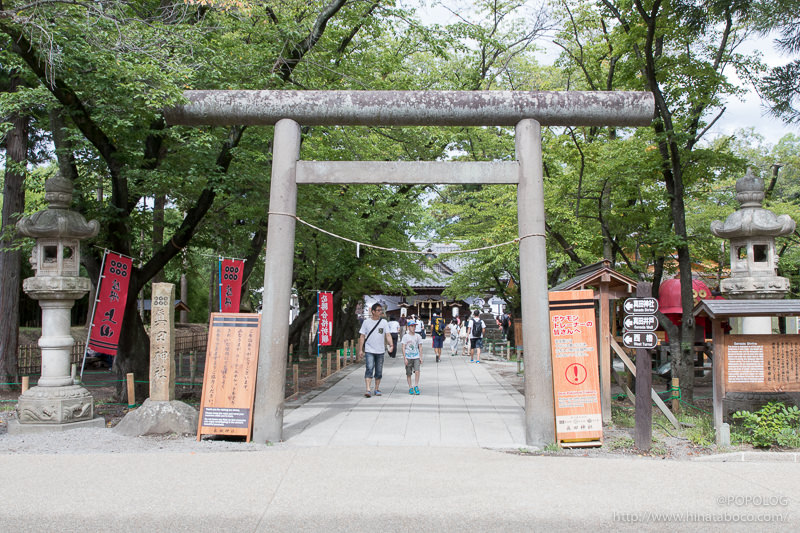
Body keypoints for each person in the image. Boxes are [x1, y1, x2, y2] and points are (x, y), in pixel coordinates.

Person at [358, 302, 394, 397]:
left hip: (380, 350)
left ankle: (377, 388)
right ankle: (368, 389)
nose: (380, 312)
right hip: (369, 350)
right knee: (369, 368)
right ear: (373, 311)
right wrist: (360, 349)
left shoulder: (384, 322)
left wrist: (391, 344)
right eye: (378, 310)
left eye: (381, 310)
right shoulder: (366, 322)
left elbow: (388, 334)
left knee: (379, 371)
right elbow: (362, 336)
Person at [401, 320, 423, 395]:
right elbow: (403, 347)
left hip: (416, 356)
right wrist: (404, 358)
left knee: (417, 371)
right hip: (408, 356)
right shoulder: (405, 336)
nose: (413, 327)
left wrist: (420, 357)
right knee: (408, 373)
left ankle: (416, 385)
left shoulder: (418, 336)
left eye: (414, 326)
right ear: (408, 327)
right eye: (412, 326)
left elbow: (420, 346)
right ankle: (410, 387)